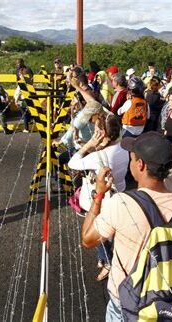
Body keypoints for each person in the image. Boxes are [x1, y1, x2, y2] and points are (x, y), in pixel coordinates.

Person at [81, 131, 172, 321]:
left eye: (132, 159)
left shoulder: (121, 203)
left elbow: (87, 239)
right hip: (162, 301)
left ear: (140, 165)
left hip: (125, 299)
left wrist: (99, 195)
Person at [68, 113, 128, 281]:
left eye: (96, 129)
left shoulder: (98, 156)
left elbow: (72, 163)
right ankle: (106, 259)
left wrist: (89, 144)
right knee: (112, 232)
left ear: (101, 133)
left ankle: (108, 262)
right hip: (119, 193)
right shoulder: (124, 147)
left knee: (99, 233)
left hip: (102, 200)